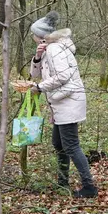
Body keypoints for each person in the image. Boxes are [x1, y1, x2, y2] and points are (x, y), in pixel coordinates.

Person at [28, 11, 98, 198]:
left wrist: (40, 87)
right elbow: (34, 74)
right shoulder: (48, 50)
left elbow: (63, 76)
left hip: (68, 102)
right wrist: (37, 57)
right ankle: (62, 181)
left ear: (41, 35)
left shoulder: (55, 49)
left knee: (71, 145)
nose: (32, 37)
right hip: (60, 103)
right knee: (58, 143)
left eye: (33, 34)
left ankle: (89, 187)